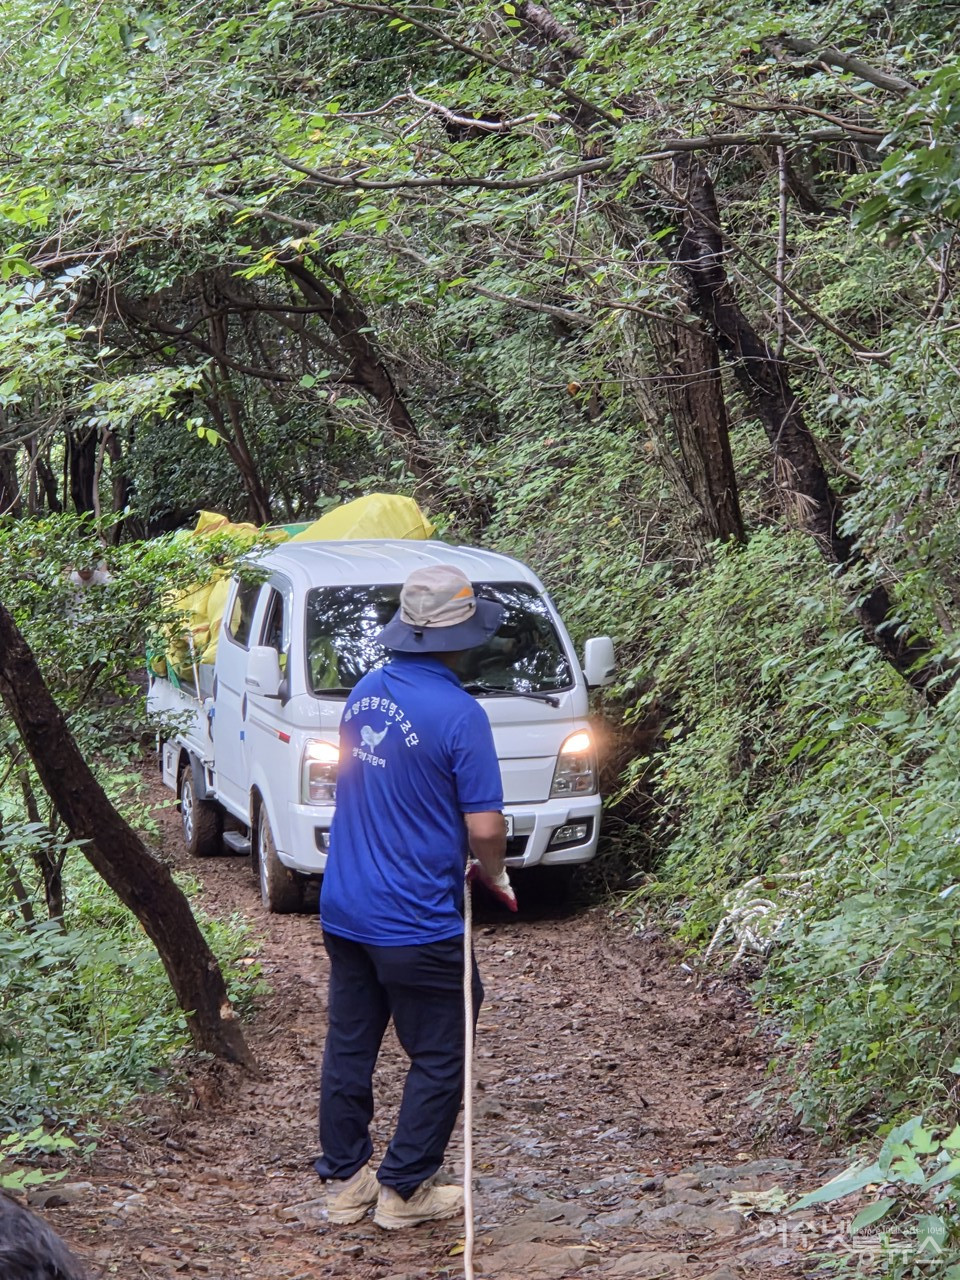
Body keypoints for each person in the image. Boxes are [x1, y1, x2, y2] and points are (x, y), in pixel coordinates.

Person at [315, 564, 517, 1230]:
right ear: (462, 639)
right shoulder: (461, 714)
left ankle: (346, 1181)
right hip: (415, 918)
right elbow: (484, 828)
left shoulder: (365, 693)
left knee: (351, 1043)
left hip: (346, 904)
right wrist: (495, 873)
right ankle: (404, 1188)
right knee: (443, 1047)